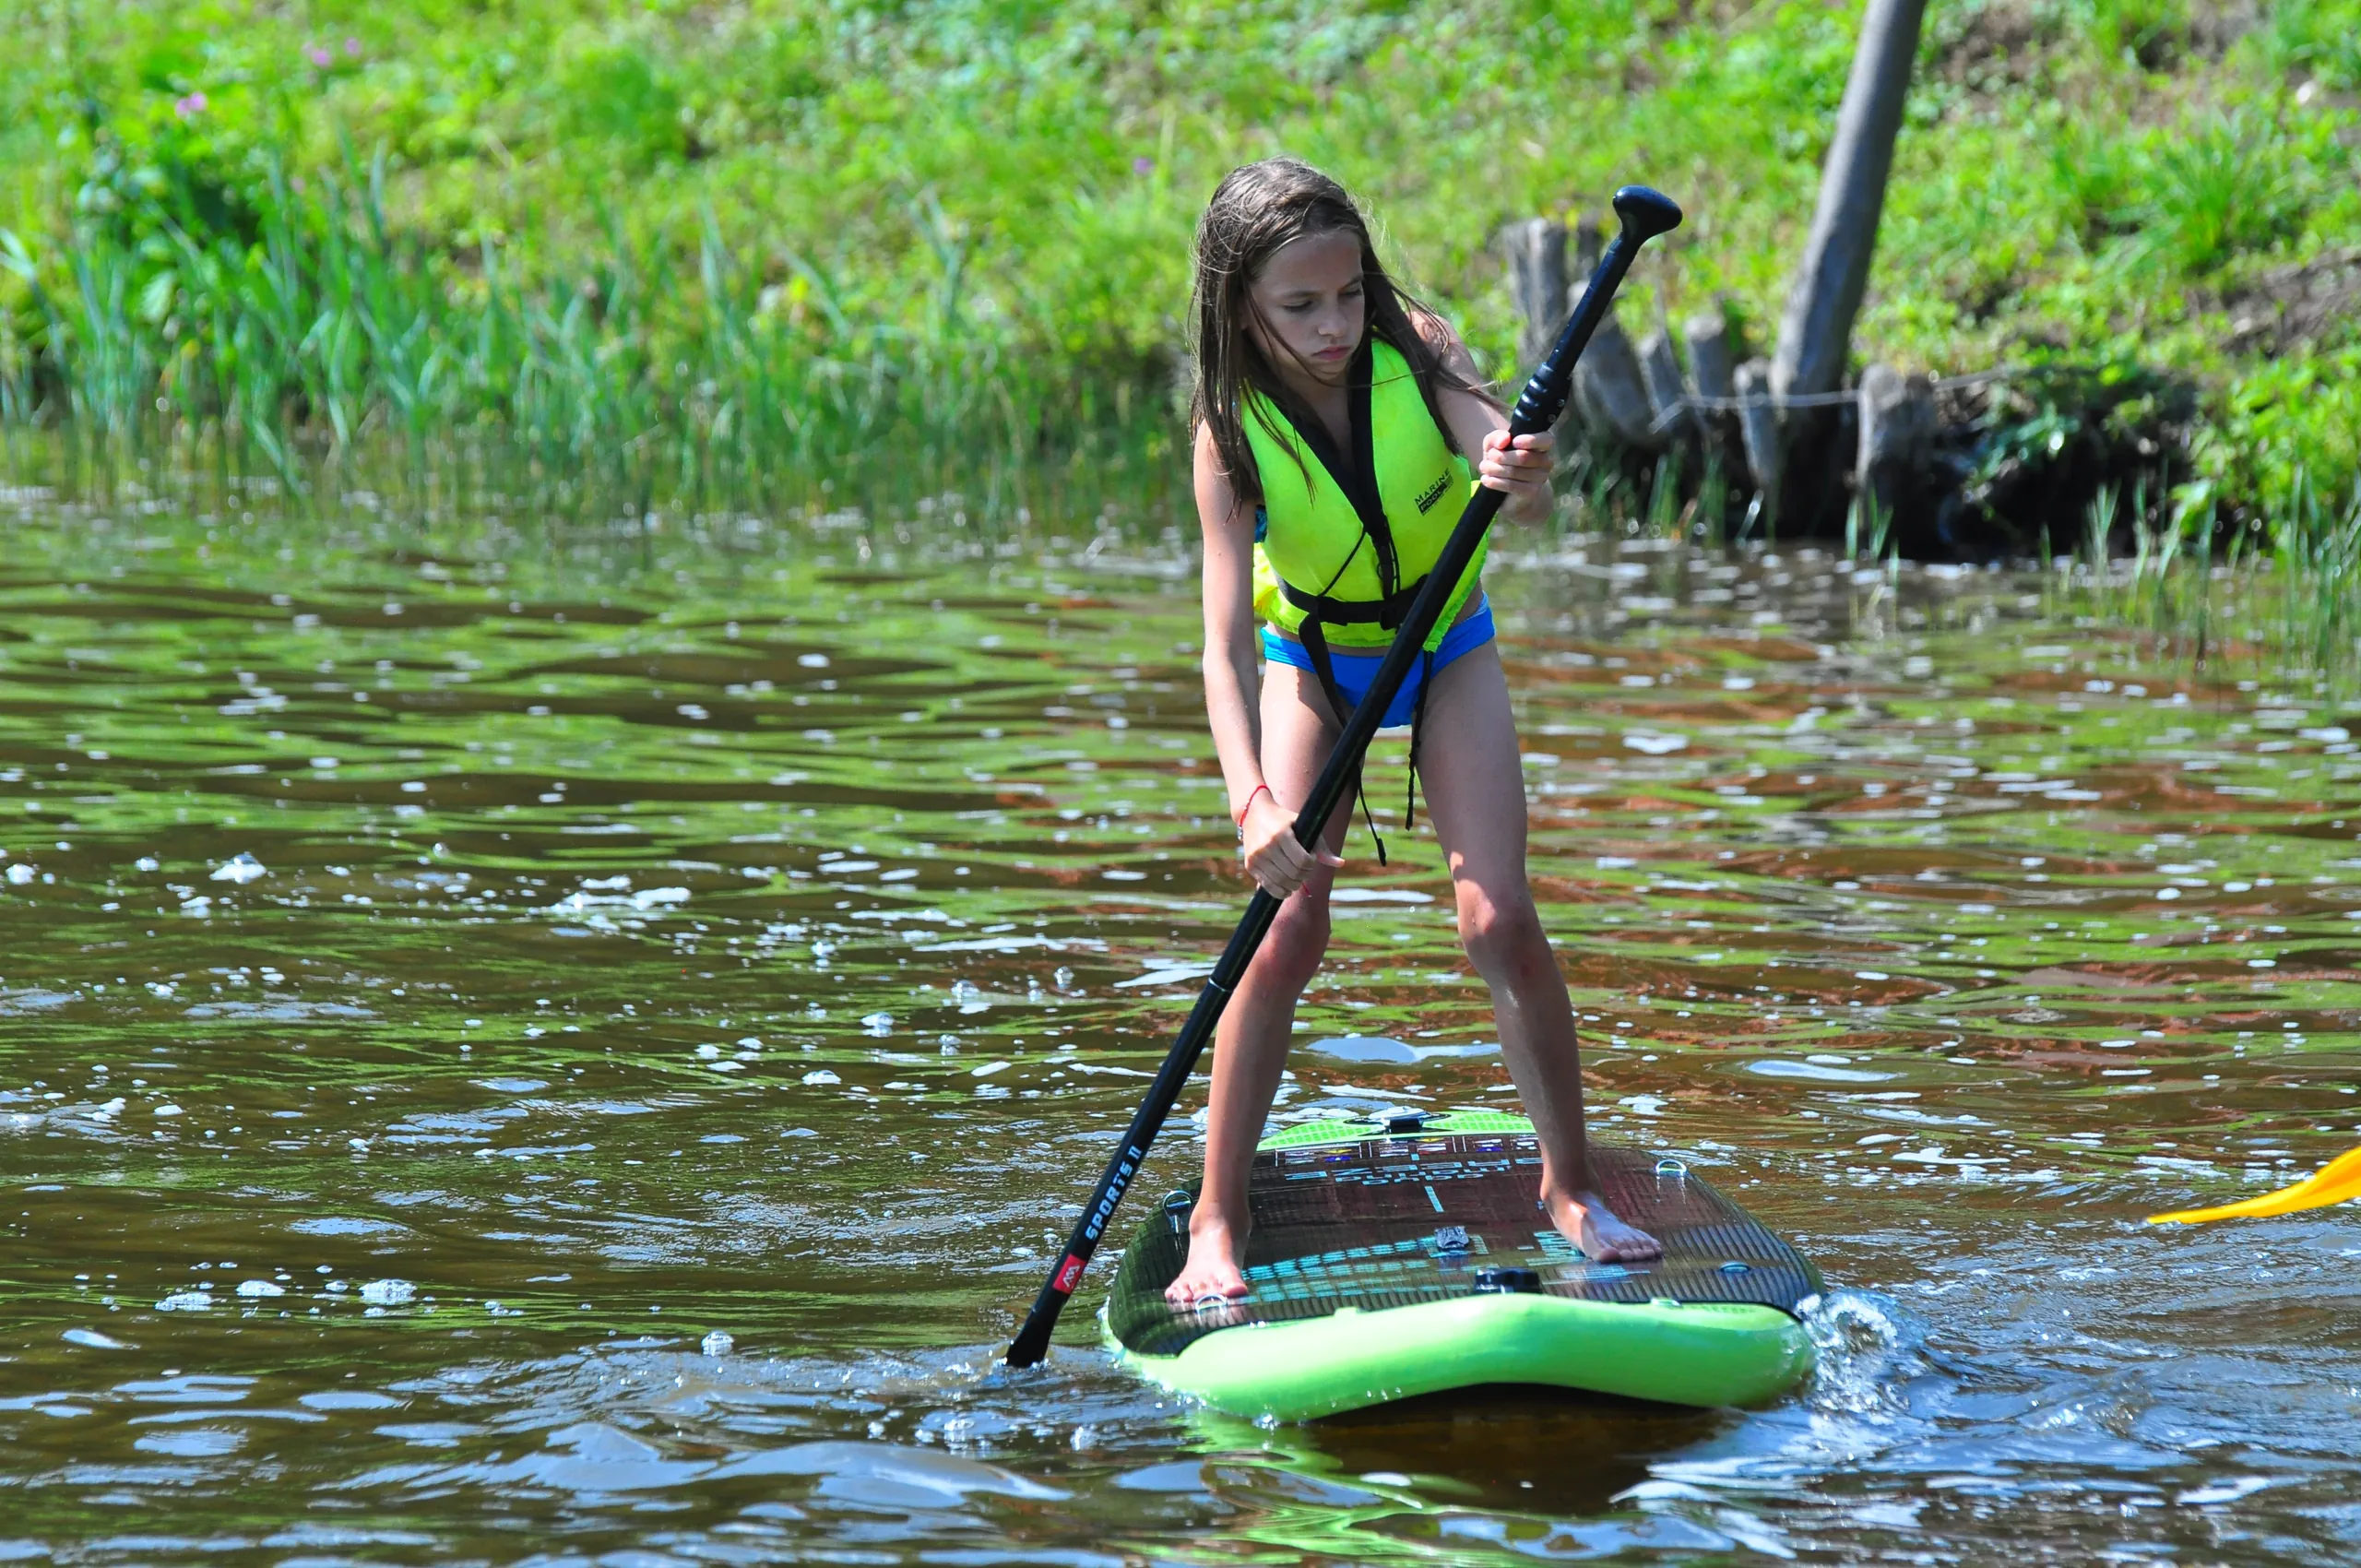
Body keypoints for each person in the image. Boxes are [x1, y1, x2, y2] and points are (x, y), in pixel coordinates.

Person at [1168, 157, 1661, 1307]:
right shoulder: (1227, 431)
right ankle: (1215, 1217)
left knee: (1498, 918)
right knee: (1283, 930)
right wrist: (1249, 803)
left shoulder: (1419, 345)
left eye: (1348, 293)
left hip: (1446, 648)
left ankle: (1569, 1188)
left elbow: (1509, 462)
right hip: (1319, 666)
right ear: (1241, 302)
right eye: (1300, 306)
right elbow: (1225, 646)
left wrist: (1520, 469)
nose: (1334, 324)